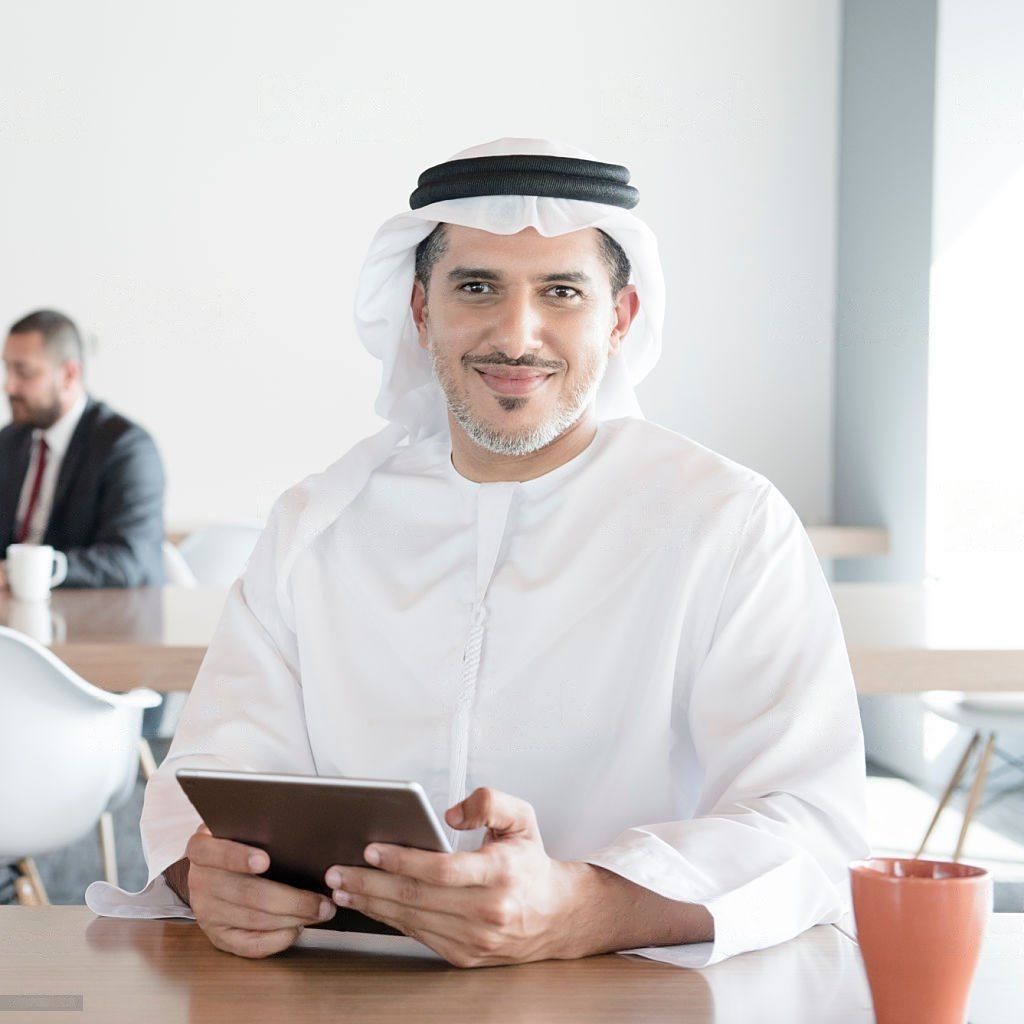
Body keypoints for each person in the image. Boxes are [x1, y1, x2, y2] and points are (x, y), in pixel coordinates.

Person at [87, 139, 868, 969]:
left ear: (620, 318)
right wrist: (209, 875)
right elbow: (207, 773)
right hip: (340, 989)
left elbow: (810, 824)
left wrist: (584, 907)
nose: (516, 335)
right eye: (477, 287)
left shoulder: (726, 522)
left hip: (622, 994)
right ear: (421, 312)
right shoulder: (316, 524)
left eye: (561, 292)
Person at [0, 310, 165, 589]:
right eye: (7, 369)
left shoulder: (126, 448)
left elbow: (130, 559)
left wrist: (30, 570)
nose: (9, 386)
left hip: (93, 611)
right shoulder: (10, 441)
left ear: (68, 375)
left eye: (24, 372)